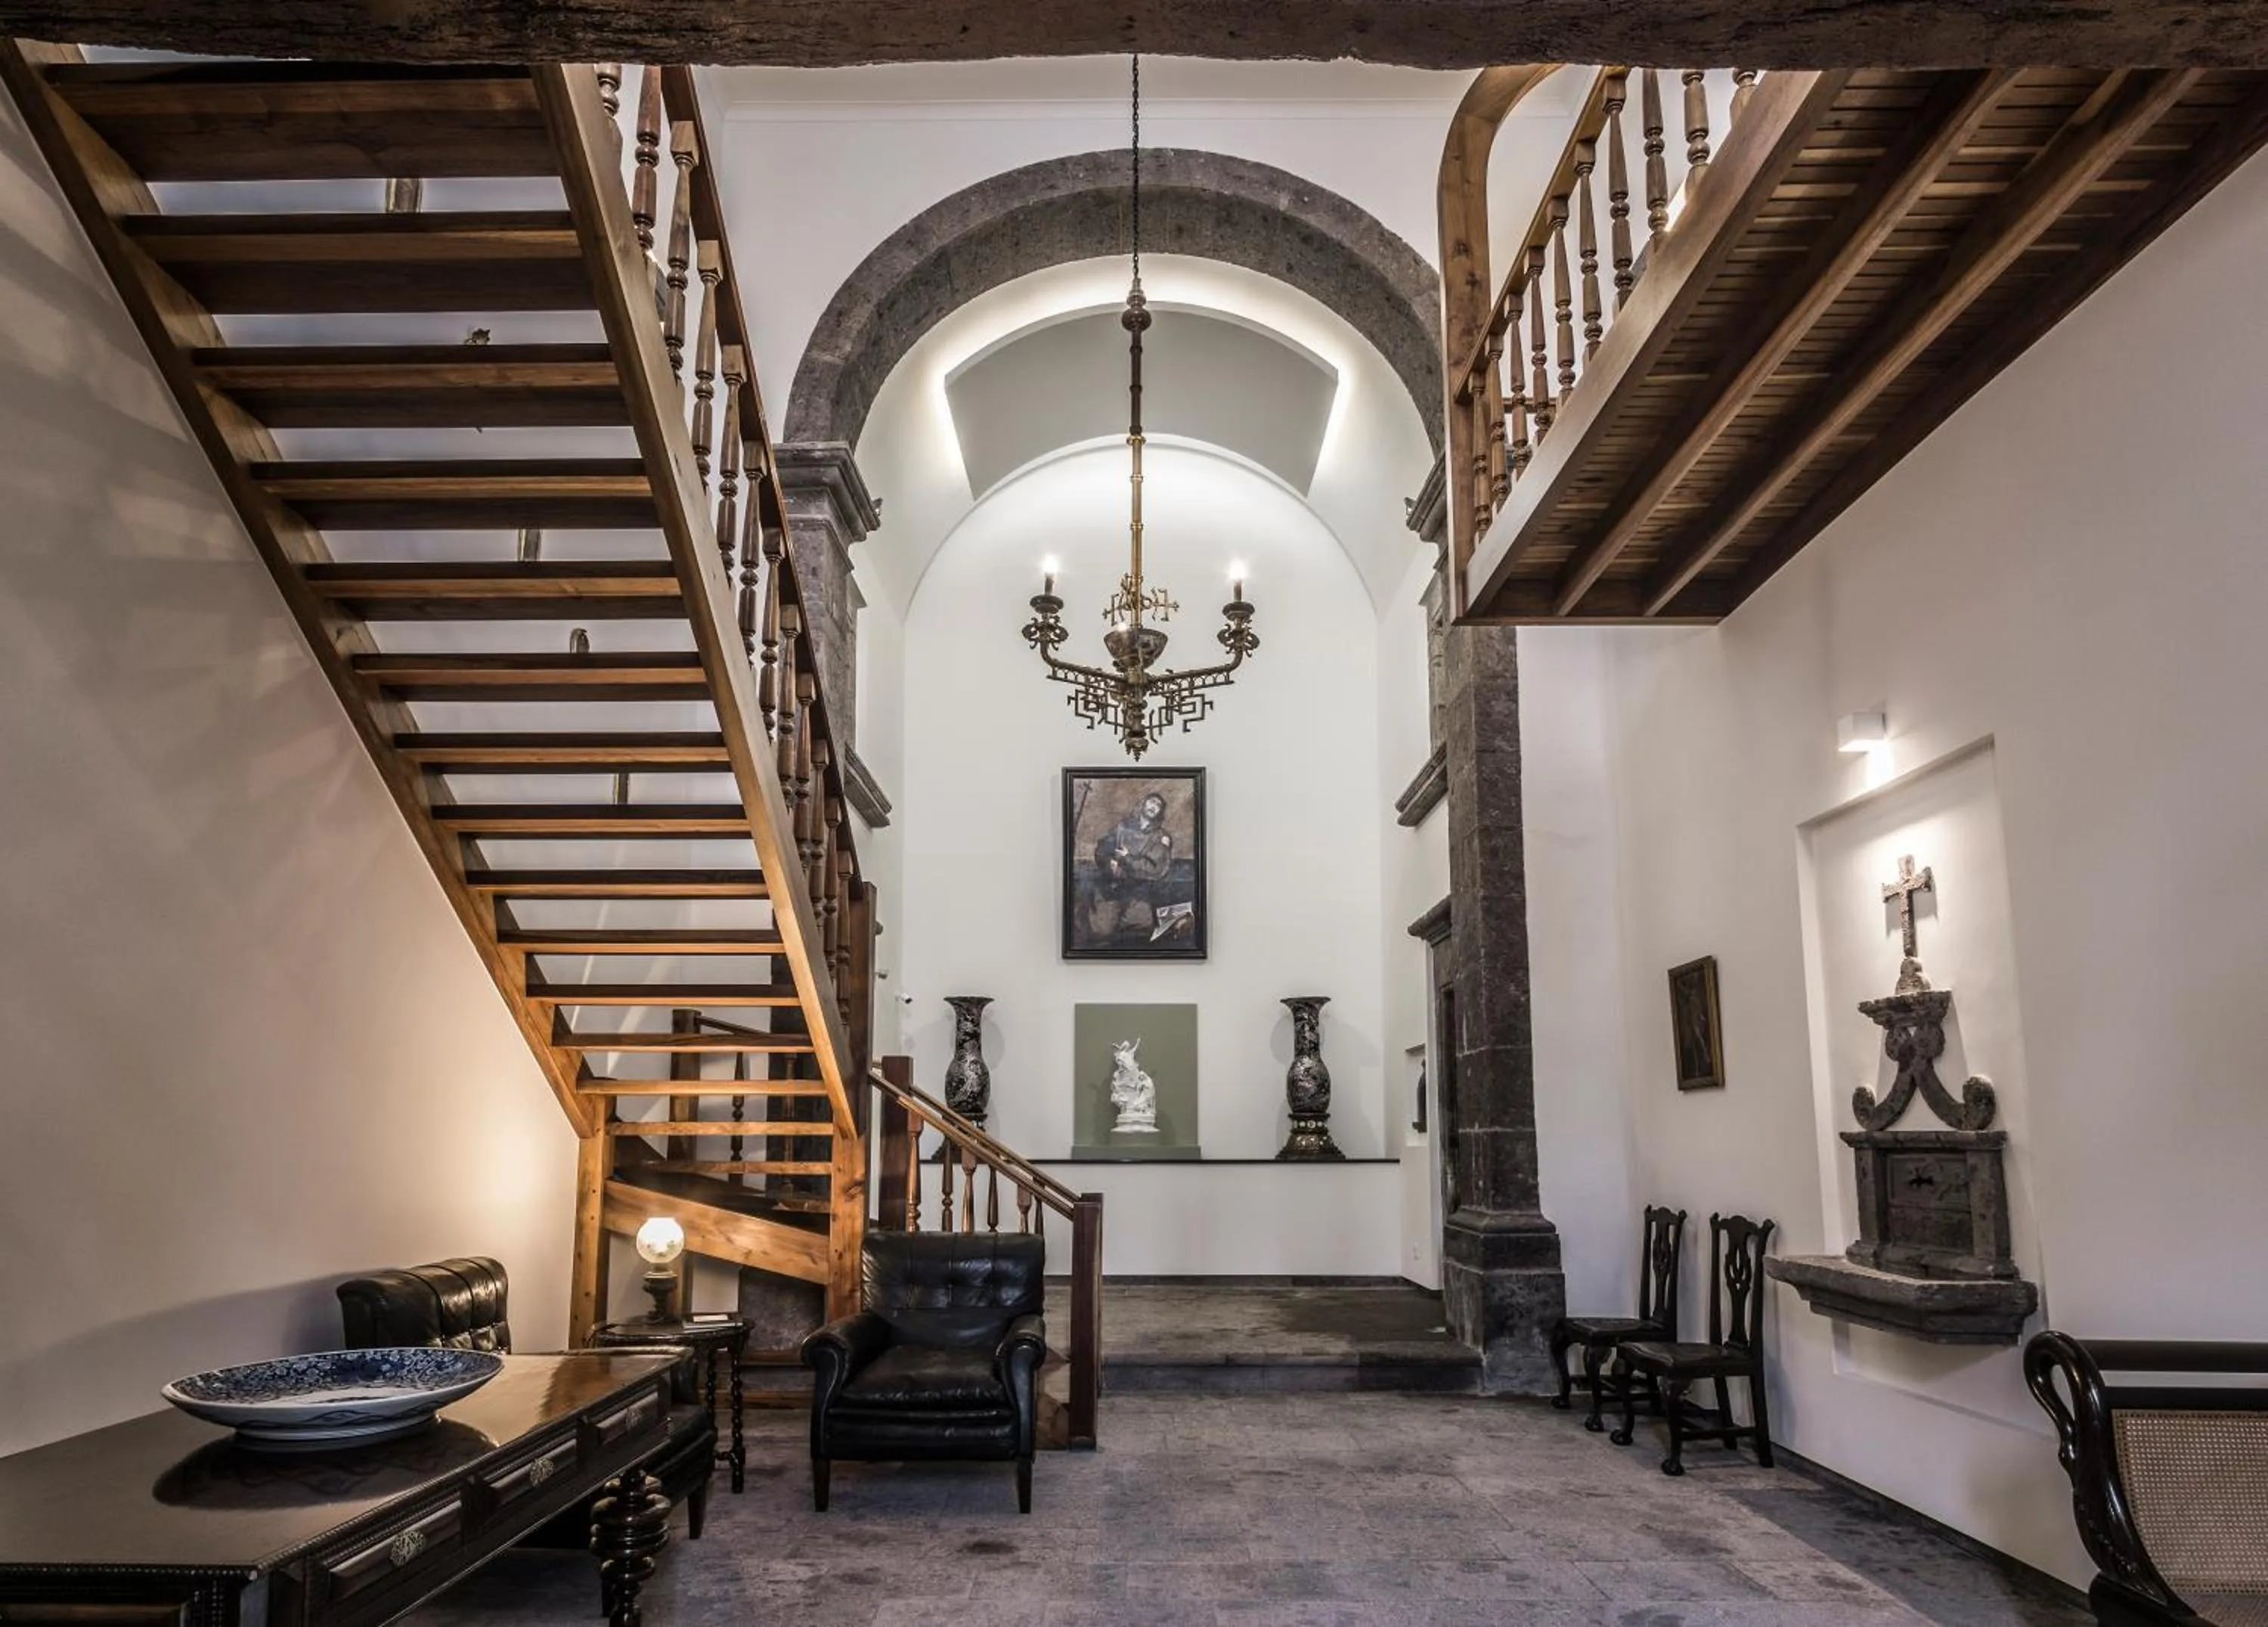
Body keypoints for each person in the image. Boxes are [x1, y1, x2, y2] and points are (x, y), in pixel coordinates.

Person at [1086, 792, 1176, 941]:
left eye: (1158, 805)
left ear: (1161, 812)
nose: (1153, 806)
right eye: (1151, 802)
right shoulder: (1123, 827)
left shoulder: (1162, 838)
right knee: (1102, 931)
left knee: (1140, 932)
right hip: (1113, 889)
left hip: (1139, 893)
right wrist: (1109, 863)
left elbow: (1155, 870)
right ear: (1143, 804)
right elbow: (1103, 848)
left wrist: (1127, 859)